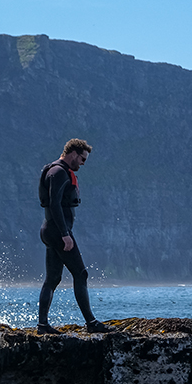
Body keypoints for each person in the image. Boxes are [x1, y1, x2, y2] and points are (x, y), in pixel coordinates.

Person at [36, 138, 111, 334]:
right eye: (82, 159)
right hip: (57, 231)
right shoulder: (59, 172)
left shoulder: (55, 170)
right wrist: (64, 234)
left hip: (51, 230)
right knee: (80, 273)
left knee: (53, 278)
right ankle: (91, 323)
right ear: (73, 154)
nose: (83, 163)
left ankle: (42, 326)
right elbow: (54, 204)